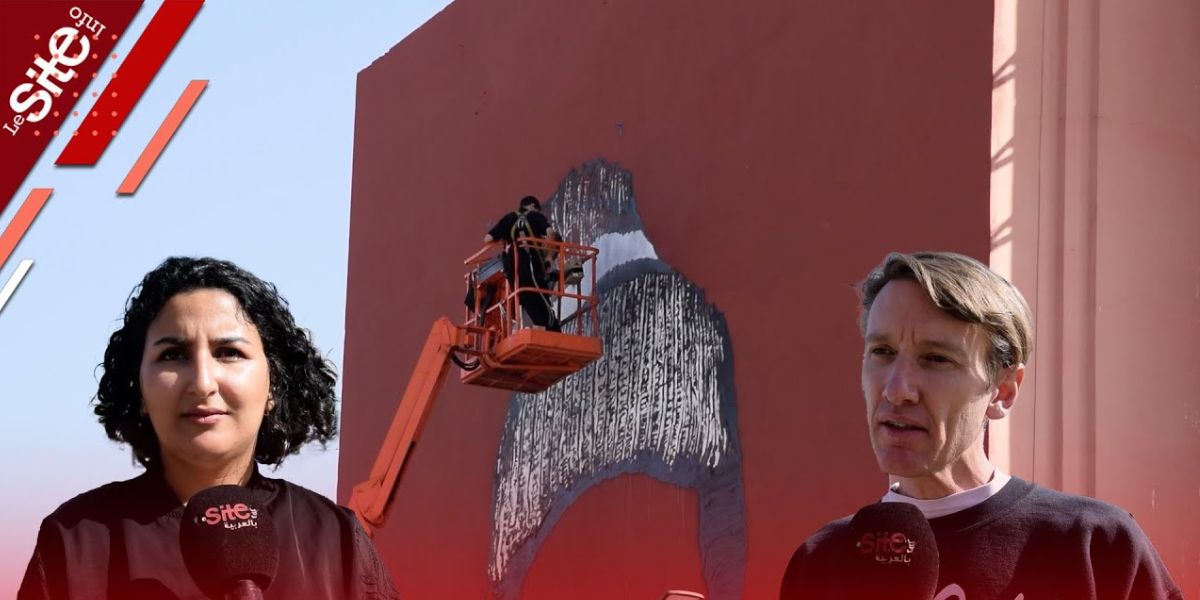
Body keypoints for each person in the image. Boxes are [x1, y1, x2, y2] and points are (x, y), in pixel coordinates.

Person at [780, 251, 1182, 600]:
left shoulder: (1096, 546)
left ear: (1003, 390)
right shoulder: (819, 563)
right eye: (882, 352)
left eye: (936, 358)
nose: (897, 389)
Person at [18, 257, 401, 599]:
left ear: (274, 386)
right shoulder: (77, 541)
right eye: (173, 355)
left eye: (229, 353)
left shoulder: (335, 540)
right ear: (138, 391)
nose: (202, 382)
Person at [482, 195, 561, 331]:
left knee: (526, 299)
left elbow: (487, 239)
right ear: (532, 206)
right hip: (532, 269)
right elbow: (551, 234)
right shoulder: (535, 216)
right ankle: (552, 330)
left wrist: (504, 240)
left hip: (515, 273)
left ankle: (543, 327)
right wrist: (548, 257)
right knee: (542, 301)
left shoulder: (508, 219)